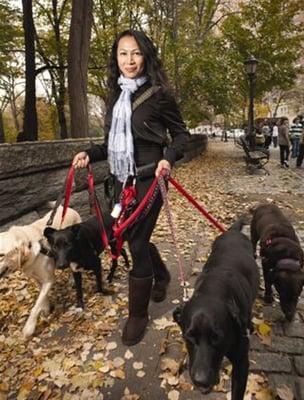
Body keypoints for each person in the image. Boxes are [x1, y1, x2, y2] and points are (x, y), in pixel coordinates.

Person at [72, 30, 190, 346]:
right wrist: (89, 152)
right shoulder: (114, 98)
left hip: (152, 178)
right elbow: (110, 145)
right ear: (116, 58)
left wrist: (168, 158)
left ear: (145, 55)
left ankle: (138, 314)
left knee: (136, 243)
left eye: (135, 53)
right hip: (122, 181)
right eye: (123, 53)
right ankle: (161, 274)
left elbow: (181, 136)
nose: (129, 60)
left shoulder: (159, 94)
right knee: (127, 235)